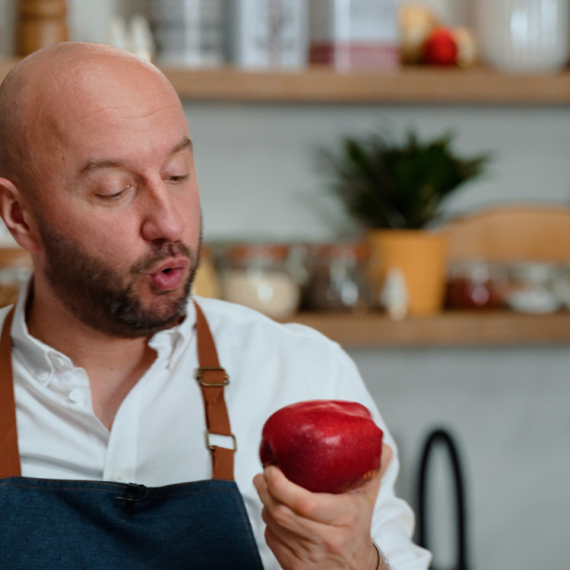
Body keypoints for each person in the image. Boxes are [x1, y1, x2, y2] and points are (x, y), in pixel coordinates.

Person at [0, 42, 431, 570]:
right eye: (114, 191)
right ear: (20, 217)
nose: (171, 224)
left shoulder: (301, 372)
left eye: (177, 174)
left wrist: (358, 564)